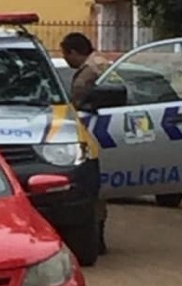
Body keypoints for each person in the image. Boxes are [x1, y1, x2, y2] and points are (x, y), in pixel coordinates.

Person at [60, 32, 111, 255]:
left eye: (65, 55)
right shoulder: (102, 65)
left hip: (95, 133)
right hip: (100, 131)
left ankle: (96, 239)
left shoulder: (91, 71)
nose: (65, 61)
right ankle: (96, 238)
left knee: (93, 189)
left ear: (73, 52)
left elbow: (79, 102)